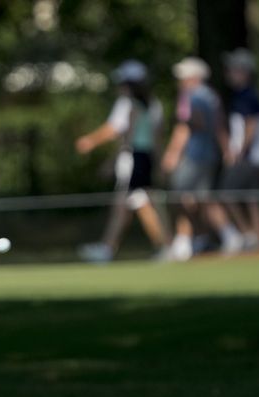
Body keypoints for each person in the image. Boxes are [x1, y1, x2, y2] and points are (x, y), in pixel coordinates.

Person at [75, 60, 170, 262]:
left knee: (126, 204)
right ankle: (162, 245)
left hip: (134, 158)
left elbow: (123, 134)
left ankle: (109, 249)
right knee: (141, 203)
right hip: (146, 157)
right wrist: (159, 162)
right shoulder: (154, 104)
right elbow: (157, 137)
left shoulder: (129, 105)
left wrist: (102, 153)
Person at [160, 57, 243, 261]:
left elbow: (187, 127)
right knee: (203, 199)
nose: (180, 80)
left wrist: (172, 153)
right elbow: (220, 126)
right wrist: (226, 150)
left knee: (180, 196)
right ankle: (222, 236)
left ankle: (184, 242)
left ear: (194, 77)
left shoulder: (191, 97)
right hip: (209, 156)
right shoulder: (212, 96)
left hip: (193, 155)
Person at [219, 48, 259, 250]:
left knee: (226, 193)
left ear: (243, 71)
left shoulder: (245, 96)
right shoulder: (249, 94)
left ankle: (249, 235)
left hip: (248, 157)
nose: (229, 73)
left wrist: (239, 151)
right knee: (252, 198)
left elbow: (251, 124)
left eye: (232, 69)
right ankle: (256, 238)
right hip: (258, 157)